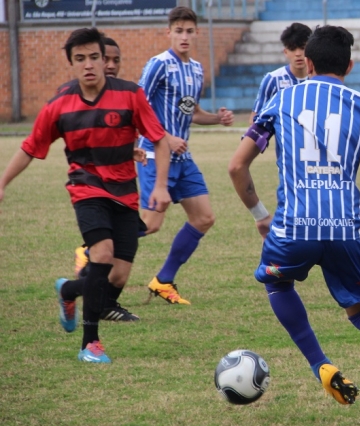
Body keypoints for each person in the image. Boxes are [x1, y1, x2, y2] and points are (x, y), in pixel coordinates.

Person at [229, 25, 360, 418]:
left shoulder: (280, 99)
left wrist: (260, 216)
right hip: (347, 227)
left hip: (293, 225)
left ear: (306, 62)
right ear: (350, 65)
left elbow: (237, 165)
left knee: (277, 281)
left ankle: (320, 364)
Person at [0, 28, 171, 363]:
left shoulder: (130, 95)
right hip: (86, 188)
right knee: (102, 254)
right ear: (72, 64)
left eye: (95, 57)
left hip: (125, 193)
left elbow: (160, 140)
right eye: (81, 59)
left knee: (116, 275)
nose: (90, 65)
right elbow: (30, 148)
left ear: (104, 59)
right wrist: (3, 181)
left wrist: (161, 186)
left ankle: (68, 290)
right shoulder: (59, 105)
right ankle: (90, 345)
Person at [137, 6, 235, 305]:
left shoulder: (196, 69)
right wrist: (165, 137)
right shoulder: (158, 65)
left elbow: (190, 113)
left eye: (189, 31)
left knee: (204, 217)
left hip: (183, 158)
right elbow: (136, 106)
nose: (184, 36)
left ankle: (163, 281)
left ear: (196, 34)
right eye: (178, 30)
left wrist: (217, 119)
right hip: (155, 155)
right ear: (169, 33)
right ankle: (91, 251)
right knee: (151, 225)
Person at [73, 35, 146, 322]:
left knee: (121, 267)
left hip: (124, 188)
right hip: (92, 189)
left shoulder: (124, 95)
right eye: (107, 59)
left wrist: (131, 151)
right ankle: (91, 304)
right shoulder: (83, 96)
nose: (111, 65)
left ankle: (101, 300)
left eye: (116, 60)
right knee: (108, 254)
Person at [249, 22, 312, 125]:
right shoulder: (273, 79)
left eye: (302, 48)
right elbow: (255, 118)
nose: (298, 54)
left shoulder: (319, 80)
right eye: (292, 49)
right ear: (285, 52)